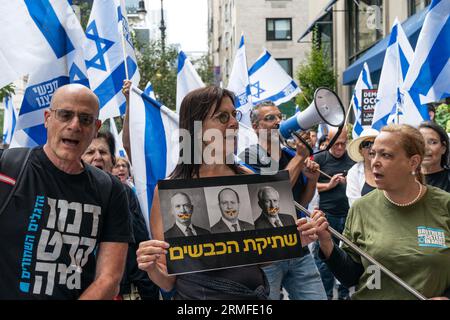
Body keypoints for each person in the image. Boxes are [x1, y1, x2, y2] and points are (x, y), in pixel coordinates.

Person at [133, 86, 318, 300]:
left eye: (234, 114)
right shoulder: (169, 192)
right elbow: (168, 281)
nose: (234, 123)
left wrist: (292, 241)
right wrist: (151, 266)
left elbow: (261, 259)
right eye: (222, 117)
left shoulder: (247, 177)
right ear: (198, 128)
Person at [0, 84, 132, 299]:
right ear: (47, 118)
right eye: (65, 115)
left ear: (96, 127)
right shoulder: (7, 168)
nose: (75, 125)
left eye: (85, 119)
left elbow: (108, 279)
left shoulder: (111, 190)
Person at [307, 124, 450, 300]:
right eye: (373, 153)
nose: (375, 161)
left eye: (386, 155)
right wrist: (326, 242)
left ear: (413, 162)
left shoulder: (445, 205)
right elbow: (351, 276)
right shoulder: (361, 208)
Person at [240, 100, 326, 300]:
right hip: (268, 252)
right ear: (255, 127)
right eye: (270, 118)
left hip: (299, 246)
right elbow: (274, 193)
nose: (278, 122)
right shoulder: (249, 157)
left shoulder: (289, 153)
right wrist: (299, 158)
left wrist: (312, 181)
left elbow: (301, 202)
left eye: (280, 117)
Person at [82, 131, 159, 300]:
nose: (97, 157)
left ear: (112, 161)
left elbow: (139, 241)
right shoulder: (70, 195)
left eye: (102, 152)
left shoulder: (124, 193)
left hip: (123, 290)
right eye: (89, 152)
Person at [313, 127, 355, 300]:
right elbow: (309, 185)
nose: (340, 148)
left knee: (346, 258)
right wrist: (328, 185)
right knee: (324, 261)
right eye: (336, 143)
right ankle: (326, 295)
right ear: (328, 141)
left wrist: (349, 181)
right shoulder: (320, 158)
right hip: (326, 216)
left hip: (347, 215)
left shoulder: (351, 159)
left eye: (343, 144)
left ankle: (345, 295)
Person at [346, 128, 379, 206]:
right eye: (366, 144)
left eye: (375, 143)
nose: (372, 147)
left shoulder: (389, 168)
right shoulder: (354, 172)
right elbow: (355, 205)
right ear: (360, 151)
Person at [419, 121, 450, 192]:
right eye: (420, 142)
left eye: (433, 142)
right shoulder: (405, 179)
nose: (425, 148)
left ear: (443, 148)